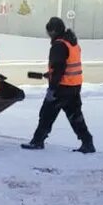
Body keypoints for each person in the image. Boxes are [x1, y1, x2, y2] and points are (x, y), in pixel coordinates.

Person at [22, 17, 95, 153]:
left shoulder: (59, 45)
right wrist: (51, 74)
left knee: (46, 114)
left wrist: (52, 87)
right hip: (74, 86)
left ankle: (37, 141)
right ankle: (87, 142)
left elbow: (59, 67)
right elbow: (66, 66)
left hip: (61, 88)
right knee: (75, 115)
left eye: (49, 31)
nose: (48, 34)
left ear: (53, 31)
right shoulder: (72, 43)